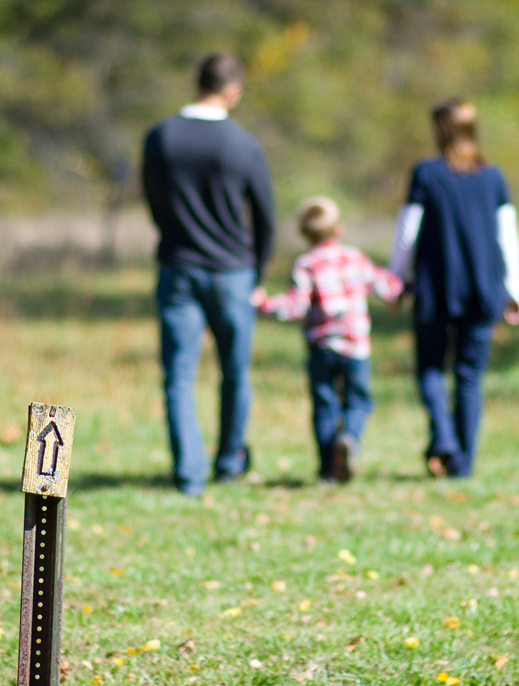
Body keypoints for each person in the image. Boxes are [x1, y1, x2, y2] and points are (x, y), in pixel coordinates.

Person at [141, 53, 276, 495]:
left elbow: (153, 198)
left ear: (196, 82)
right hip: (233, 271)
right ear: (233, 90)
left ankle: (189, 473)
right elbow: (266, 215)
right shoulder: (242, 144)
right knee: (235, 371)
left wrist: (174, 234)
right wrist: (259, 268)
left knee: (179, 375)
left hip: (178, 265)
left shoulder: (159, 138)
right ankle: (230, 460)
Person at [388, 99, 519, 479]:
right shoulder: (493, 177)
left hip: (437, 289)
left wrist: (396, 279)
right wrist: (515, 289)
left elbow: (407, 231)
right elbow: (507, 238)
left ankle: (445, 440)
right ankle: (462, 462)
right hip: (484, 289)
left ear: (441, 130)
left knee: (430, 369)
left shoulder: (426, 174)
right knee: (469, 376)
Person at [251, 196, 403, 483]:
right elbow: (386, 284)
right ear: (339, 229)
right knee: (358, 401)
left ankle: (327, 470)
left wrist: (264, 303)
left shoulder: (306, 264)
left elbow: (295, 307)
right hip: (356, 347)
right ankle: (349, 439)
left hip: (321, 347)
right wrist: (401, 292)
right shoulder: (354, 257)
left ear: (304, 234)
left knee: (324, 405)